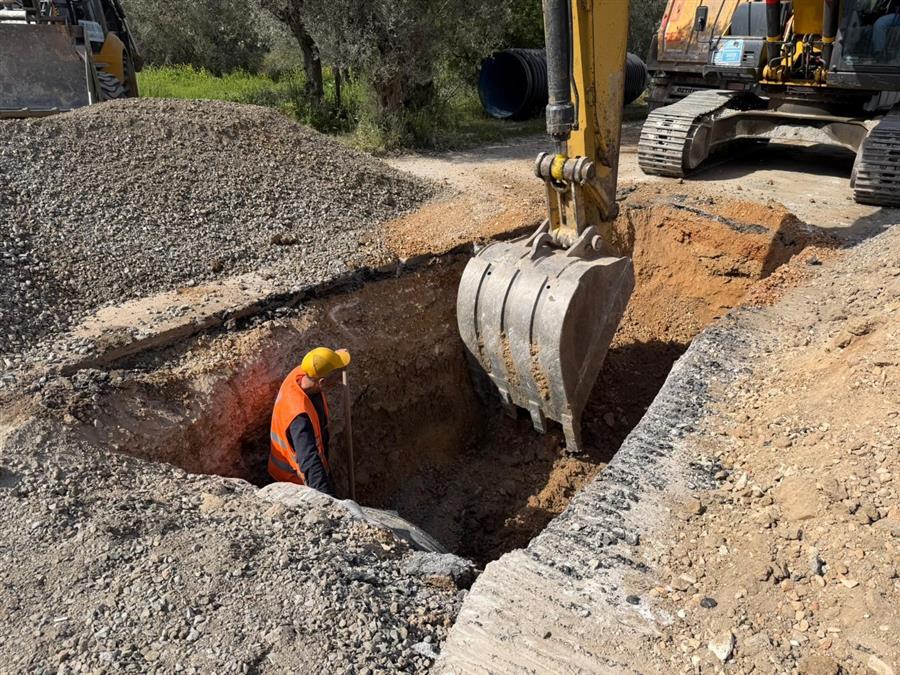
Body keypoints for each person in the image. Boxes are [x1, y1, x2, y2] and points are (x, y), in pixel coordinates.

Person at [268, 347, 351, 495]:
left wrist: (335, 358)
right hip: (294, 484)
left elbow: (318, 362)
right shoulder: (299, 417)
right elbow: (309, 461)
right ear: (322, 382)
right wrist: (328, 499)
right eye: (336, 375)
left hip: (307, 467)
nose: (339, 379)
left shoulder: (303, 374)